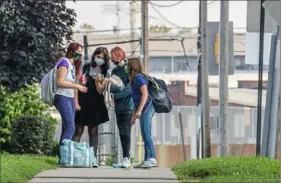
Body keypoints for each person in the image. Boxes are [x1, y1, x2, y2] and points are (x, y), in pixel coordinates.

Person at [72, 47, 110, 162]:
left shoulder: (105, 72)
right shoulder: (86, 67)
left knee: (93, 132)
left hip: (96, 104)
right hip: (83, 102)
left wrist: (99, 81)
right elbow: (77, 81)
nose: (99, 59)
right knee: (78, 130)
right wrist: (76, 102)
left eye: (102, 58)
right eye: (98, 57)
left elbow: (100, 91)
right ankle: (72, 156)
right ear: (94, 56)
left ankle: (92, 159)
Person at [54, 42, 88, 147]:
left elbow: (72, 84)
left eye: (81, 52)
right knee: (71, 128)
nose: (80, 54)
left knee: (66, 128)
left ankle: (62, 157)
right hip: (62, 97)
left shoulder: (72, 65)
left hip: (69, 98)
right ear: (71, 51)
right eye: (78, 51)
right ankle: (65, 155)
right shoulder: (64, 62)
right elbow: (59, 82)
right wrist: (76, 86)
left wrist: (79, 84)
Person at [126, 57, 157, 168]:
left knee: (146, 133)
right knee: (144, 133)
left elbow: (145, 94)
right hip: (142, 108)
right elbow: (136, 100)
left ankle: (152, 157)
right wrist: (134, 115)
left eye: (127, 65)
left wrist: (139, 111)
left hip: (147, 107)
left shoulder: (139, 78)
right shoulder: (133, 80)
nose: (126, 67)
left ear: (132, 66)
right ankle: (146, 159)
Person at [110, 46, 134, 168]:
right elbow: (111, 88)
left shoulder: (128, 68)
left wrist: (117, 94)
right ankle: (124, 157)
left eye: (113, 56)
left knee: (127, 132)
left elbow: (130, 89)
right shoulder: (114, 71)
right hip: (118, 106)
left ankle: (127, 158)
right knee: (121, 132)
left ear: (119, 56)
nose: (111, 58)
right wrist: (115, 93)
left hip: (129, 105)